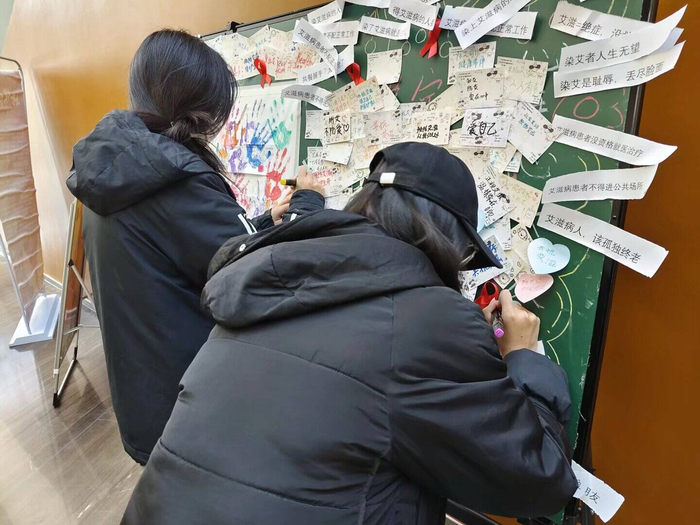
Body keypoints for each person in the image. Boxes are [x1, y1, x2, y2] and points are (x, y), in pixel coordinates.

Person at [122, 142, 577, 524]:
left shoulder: (269, 273)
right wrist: (523, 359)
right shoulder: (431, 321)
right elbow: (541, 479)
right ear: (448, 238)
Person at [66, 29, 324, 465]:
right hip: (197, 412)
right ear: (202, 110)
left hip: (148, 404)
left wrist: (264, 221)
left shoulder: (113, 167)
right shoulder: (175, 180)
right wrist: (308, 205)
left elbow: (183, 253)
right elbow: (265, 277)